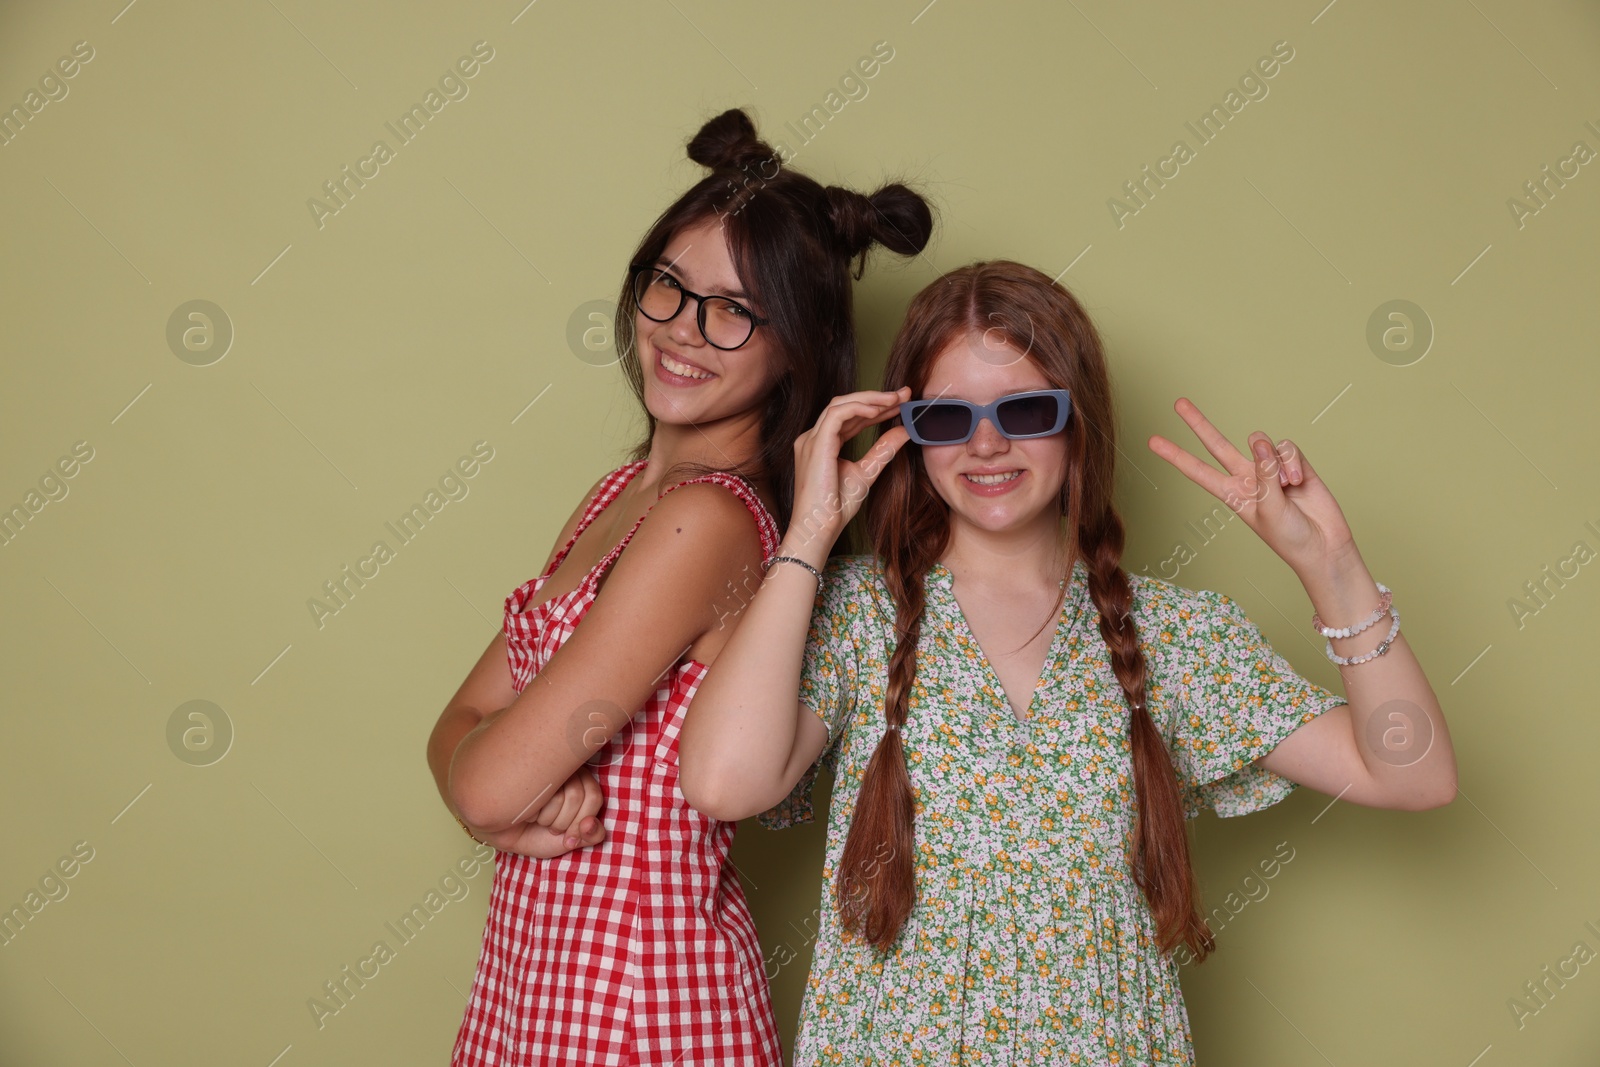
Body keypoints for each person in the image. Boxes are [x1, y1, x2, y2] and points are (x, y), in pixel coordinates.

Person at [679, 259, 1458, 1064]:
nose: (986, 444)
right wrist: (808, 535)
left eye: (1024, 408)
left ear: (1075, 417)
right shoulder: (853, 613)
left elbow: (1412, 773)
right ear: (909, 433)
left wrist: (1329, 565)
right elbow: (721, 782)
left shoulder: (1175, 635)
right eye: (948, 418)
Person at [424, 108, 934, 1066]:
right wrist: (481, 790)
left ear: (798, 346)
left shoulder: (707, 523)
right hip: (533, 981)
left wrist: (491, 799)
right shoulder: (621, 492)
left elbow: (486, 775)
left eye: (735, 310)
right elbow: (455, 723)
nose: (685, 331)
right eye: (670, 285)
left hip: (635, 1000)